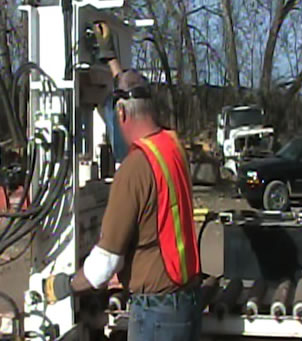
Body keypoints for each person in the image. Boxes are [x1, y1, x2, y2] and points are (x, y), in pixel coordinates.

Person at [43, 21, 203, 341]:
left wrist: (63, 286)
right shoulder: (173, 145)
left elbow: (105, 262)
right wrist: (111, 59)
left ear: (121, 116)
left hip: (156, 313)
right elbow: (130, 90)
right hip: (184, 302)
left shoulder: (134, 168)